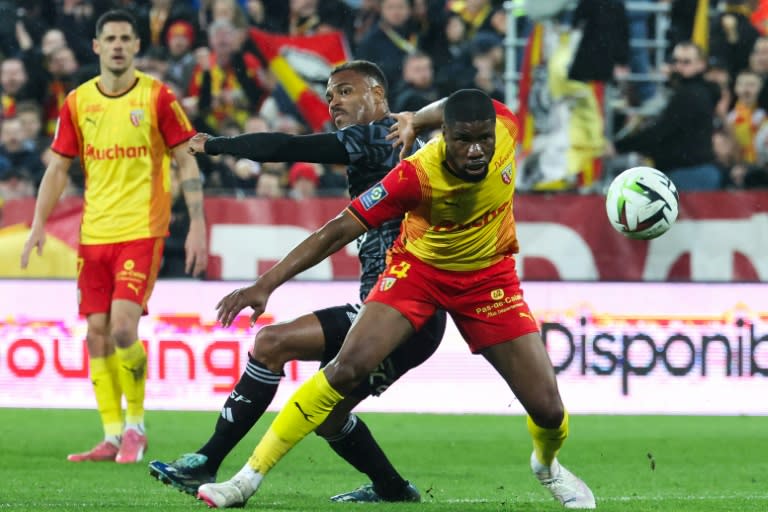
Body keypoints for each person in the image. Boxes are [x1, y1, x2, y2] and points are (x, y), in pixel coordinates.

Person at [198, 89, 597, 510]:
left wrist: (414, 118)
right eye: (463, 140)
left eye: (484, 139)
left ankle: (548, 466)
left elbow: (452, 104)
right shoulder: (415, 175)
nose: (477, 151)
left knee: (549, 410)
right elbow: (338, 229)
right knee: (346, 368)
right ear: (446, 137)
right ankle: (246, 480)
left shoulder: (505, 124)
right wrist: (267, 283)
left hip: (488, 279)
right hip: (418, 274)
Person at [148, 60, 446, 503]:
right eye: (329, 95)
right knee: (329, 416)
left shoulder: (378, 135)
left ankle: (208, 461)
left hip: (399, 310)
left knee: (271, 344)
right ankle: (392, 489)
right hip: (407, 313)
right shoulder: (405, 148)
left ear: (379, 96)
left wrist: (217, 144)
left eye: (345, 91)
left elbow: (286, 146)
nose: (333, 102)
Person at [20, 9, 208, 464]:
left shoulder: (158, 97)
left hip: (141, 230)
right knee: (95, 335)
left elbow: (186, 160)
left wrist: (198, 224)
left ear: (137, 46)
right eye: (111, 38)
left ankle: (136, 428)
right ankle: (109, 434)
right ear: (97, 46)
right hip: (94, 233)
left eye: (127, 37)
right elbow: (59, 167)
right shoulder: (79, 102)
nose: (119, 44)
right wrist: (38, 223)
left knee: (124, 327)